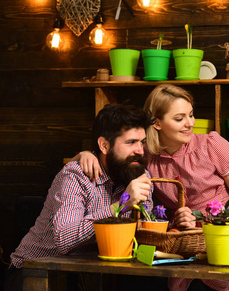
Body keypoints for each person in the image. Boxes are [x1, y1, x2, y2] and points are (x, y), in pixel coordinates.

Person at [77, 84, 229, 291]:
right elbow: (111, 153)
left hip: (225, 227)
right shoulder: (146, 155)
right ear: (156, 122)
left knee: (228, 276)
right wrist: (85, 154)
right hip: (182, 233)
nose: (190, 123)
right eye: (179, 118)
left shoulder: (211, 145)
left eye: (191, 115)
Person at [5, 104, 156, 291]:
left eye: (142, 142)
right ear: (104, 145)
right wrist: (121, 205)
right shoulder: (76, 175)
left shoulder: (139, 175)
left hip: (92, 272)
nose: (140, 150)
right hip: (35, 272)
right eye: (130, 142)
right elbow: (65, 240)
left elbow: (142, 237)